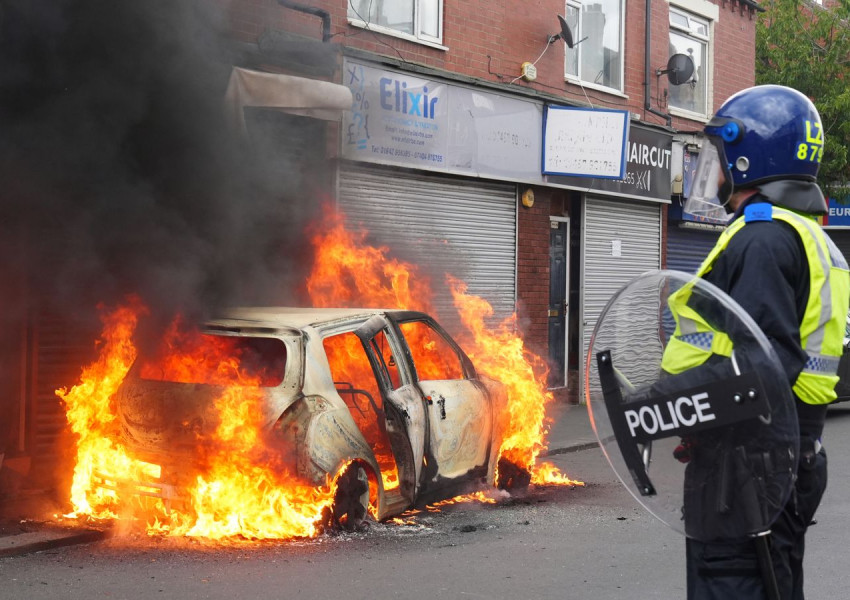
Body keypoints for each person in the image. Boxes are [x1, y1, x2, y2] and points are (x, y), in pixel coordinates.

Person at [670, 84, 850, 599]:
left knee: (733, 584)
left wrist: (662, 404)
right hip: (786, 455)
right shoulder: (807, 234)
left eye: (722, 156)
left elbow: (763, 365)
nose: (717, 170)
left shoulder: (763, 238)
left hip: (745, 468)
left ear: (750, 156)